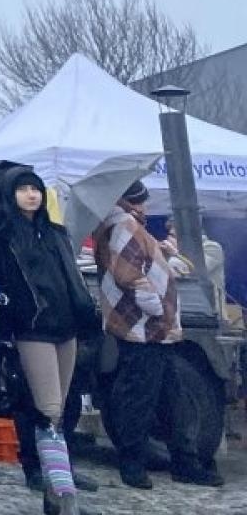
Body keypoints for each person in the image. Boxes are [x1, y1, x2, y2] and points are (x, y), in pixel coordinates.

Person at [0, 167, 100, 513]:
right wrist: (0, 301)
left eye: (35, 189)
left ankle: (55, 493)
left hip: (66, 327)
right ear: (11, 194)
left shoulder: (55, 233)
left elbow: (70, 276)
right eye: (23, 189)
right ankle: (63, 493)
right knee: (48, 411)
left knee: (61, 410)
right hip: (31, 329)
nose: (31, 195)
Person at [94, 179, 223, 488]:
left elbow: (141, 265)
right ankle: (134, 463)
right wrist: (156, 306)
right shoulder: (124, 224)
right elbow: (128, 273)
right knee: (139, 397)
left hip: (154, 330)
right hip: (142, 327)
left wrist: (164, 260)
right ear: (134, 200)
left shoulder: (126, 224)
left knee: (171, 396)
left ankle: (185, 461)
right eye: (143, 199)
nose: (147, 205)